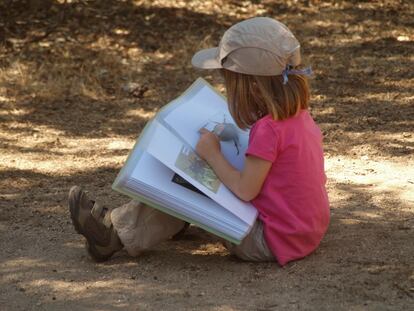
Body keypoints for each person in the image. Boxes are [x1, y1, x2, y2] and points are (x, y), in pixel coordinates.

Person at [68, 17, 330, 266]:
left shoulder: (268, 130)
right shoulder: (299, 117)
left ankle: (114, 234)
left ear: (251, 87)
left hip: (269, 241)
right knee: (206, 174)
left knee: (187, 177)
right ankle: (172, 221)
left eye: (230, 85)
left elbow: (245, 190)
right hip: (303, 233)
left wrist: (212, 153)